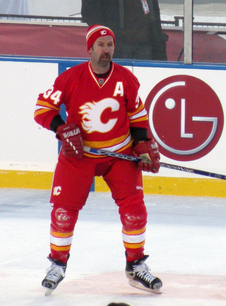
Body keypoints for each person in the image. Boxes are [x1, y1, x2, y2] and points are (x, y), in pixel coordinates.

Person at [34, 24, 162, 295]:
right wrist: (61, 127)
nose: (107, 50)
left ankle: (136, 264)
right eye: (101, 45)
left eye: (110, 45)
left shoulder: (126, 78)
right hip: (79, 155)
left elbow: (137, 115)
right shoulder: (71, 78)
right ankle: (57, 264)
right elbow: (43, 108)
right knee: (63, 211)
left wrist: (140, 144)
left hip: (119, 153)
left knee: (134, 210)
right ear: (89, 49)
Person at [81, 0, 167, 60]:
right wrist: (106, 38)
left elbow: (154, 12)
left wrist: (159, 45)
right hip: (117, 47)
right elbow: (89, 12)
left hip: (145, 45)